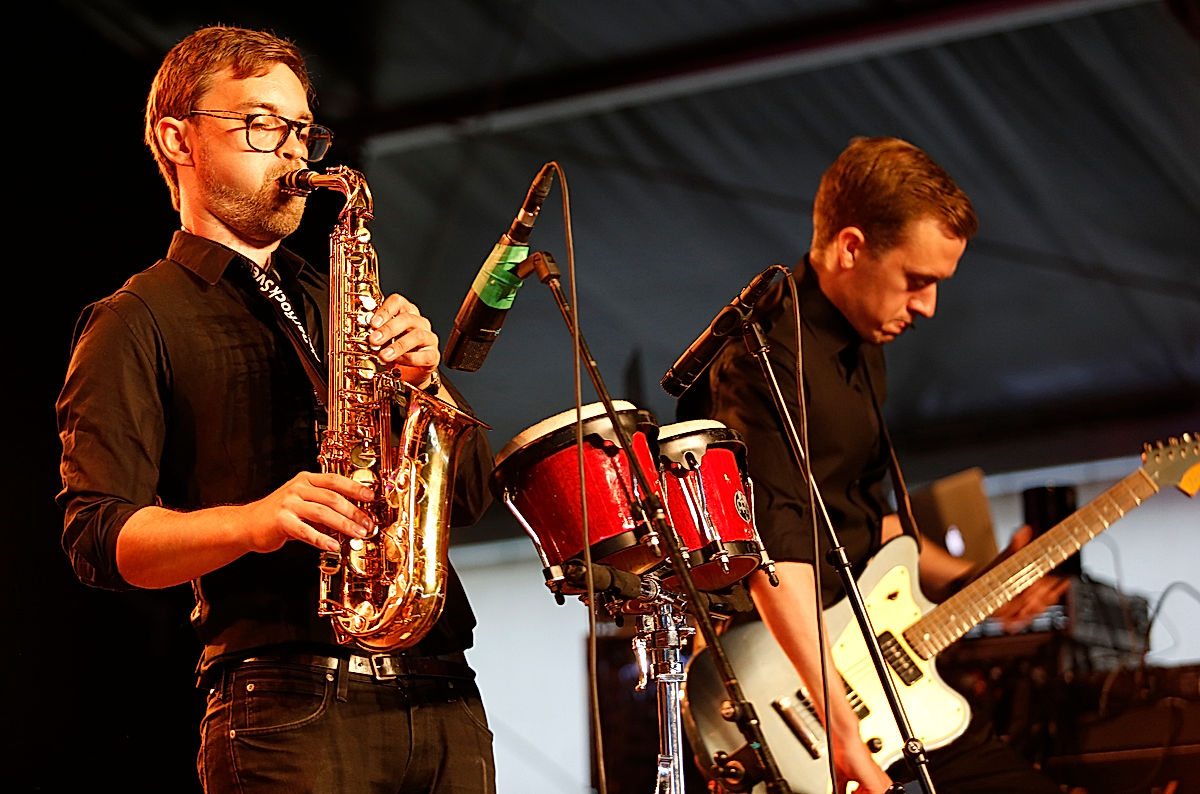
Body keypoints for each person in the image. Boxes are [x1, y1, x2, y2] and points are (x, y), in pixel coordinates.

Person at [56, 25, 495, 793]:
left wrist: (426, 381)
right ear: (178, 138)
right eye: (261, 124)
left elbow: (469, 495)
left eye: (301, 131)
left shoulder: (338, 301)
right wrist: (259, 521)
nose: (294, 153)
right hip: (289, 710)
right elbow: (98, 537)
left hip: (446, 693)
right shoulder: (135, 317)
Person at [695, 136, 1066, 794]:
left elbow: (879, 530)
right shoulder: (764, 358)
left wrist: (978, 581)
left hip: (880, 675)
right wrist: (847, 746)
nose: (927, 307)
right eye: (916, 280)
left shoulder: (865, 338)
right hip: (813, 700)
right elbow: (777, 563)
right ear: (850, 248)